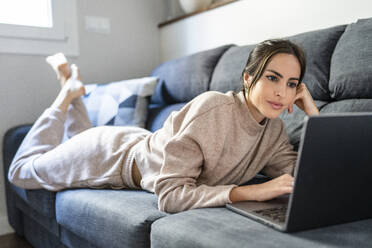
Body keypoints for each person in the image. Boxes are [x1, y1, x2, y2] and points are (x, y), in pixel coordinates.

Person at [8, 39, 319, 213]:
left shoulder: (274, 131)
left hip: (141, 142)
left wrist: (313, 114)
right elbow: (170, 197)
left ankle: (75, 91)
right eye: (272, 77)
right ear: (248, 78)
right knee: (22, 171)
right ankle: (65, 96)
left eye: (292, 84)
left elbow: (308, 176)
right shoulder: (213, 108)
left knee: (76, 135)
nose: (282, 92)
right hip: (110, 156)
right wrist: (250, 191)